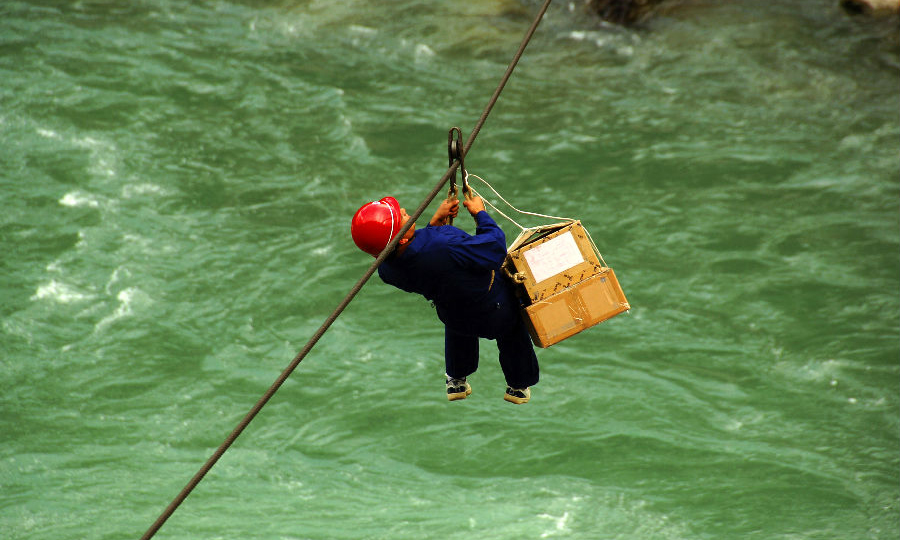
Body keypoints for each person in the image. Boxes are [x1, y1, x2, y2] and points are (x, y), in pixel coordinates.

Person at [350, 195, 539, 404]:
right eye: (401, 216)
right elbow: (493, 250)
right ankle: (518, 385)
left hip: (454, 314)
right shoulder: (445, 243)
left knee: (459, 327)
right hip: (494, 309)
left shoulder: (387, 271)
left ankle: (457, 379)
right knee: (512, 332)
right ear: (401, 239)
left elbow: (420, 257)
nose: (404, 211)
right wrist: (480, 214)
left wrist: (433, 225)